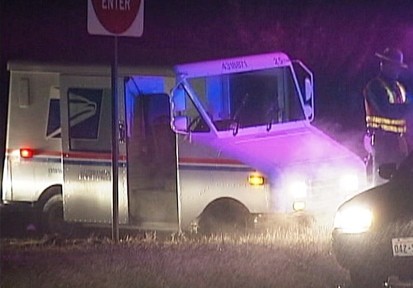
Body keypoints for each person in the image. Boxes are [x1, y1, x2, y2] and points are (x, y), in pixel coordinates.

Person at [364, 47, 412, 185]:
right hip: (381, 141)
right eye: (392, 65)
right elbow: (387, 110)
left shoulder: (398, 87)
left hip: (399, 141)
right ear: (383, 65)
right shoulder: (374, 87)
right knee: (382, 181)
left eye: (397, 67)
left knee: (401, 180)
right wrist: (410, 108)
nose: (395, 70)